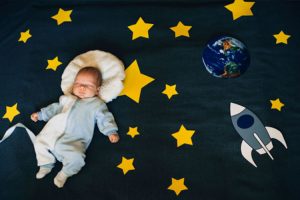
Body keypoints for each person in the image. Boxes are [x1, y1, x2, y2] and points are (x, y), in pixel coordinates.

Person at [31, 66, 119, 188]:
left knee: (77, 157)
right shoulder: (67, 99)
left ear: (97, 90)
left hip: (74, 140)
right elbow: (54, 108)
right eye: (78, 84)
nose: (82, 87)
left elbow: (105, 118)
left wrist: (110, 131)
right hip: (54, 133)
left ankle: (65, 172)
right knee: (39, 142)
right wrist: (40, 115)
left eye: (88, 85)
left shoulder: (96, 104)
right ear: (73, 85)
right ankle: (46, 164)